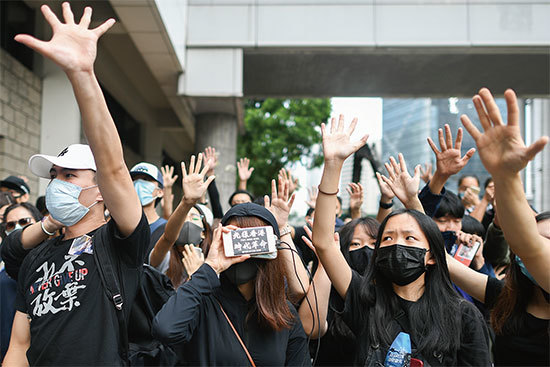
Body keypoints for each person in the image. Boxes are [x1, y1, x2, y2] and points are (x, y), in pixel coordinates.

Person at [1, 4, 147, 365]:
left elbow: (112, 166)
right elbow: (20, 346)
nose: (57, 184)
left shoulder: (119, 245)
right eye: (54, 176)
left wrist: (82, 74)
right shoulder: (37, 257)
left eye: (69, 175)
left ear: (101, 191)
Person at [309, 115, 490, 365]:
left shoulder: (462, 315)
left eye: (410, 238)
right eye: (388, 238)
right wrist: (333, 165)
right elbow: (324, 243)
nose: (397, 244)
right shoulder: (366, 302)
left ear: (431, 255)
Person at [447, 87, 550, 365]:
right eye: (541, 239)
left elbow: (528, 245)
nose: (542, 249)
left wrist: (506, 177)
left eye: (548, 242)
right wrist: (417, 200)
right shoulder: (506, 299)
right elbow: (445, 262)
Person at [152, 203, 311, 366]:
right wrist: (210, 268)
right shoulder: (202, 303)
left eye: (251, 240)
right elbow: (165, 329)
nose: (241, 253)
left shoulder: (284, 313)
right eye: (233, 240)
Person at [149, 154, 214, 288]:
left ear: (203, 232)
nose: (188, 222)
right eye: (184, 217)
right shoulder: (164, 259)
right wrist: (186, 202)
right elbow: (167, 237)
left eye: (194, 218)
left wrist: (198, 275)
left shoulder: (213, 265)